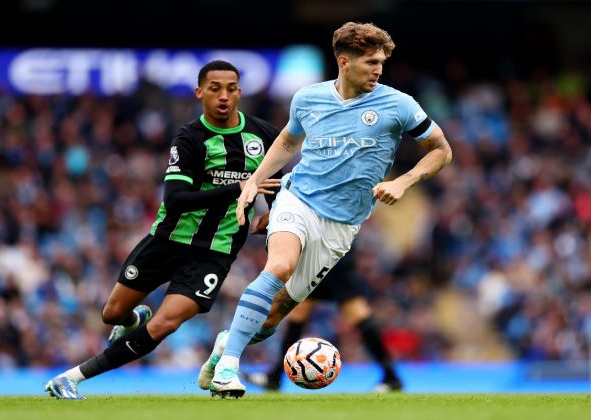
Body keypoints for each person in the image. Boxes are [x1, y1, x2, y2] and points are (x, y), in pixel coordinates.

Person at [201, 22, 453, 398]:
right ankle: (228, 368)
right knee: (280, 265)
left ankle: (226, 345)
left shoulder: (397, 104)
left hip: (342, 227)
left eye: (382, 62)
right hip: (298, 199)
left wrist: (403, 181)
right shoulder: (308, 98)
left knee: (274, 317)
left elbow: (441, 150)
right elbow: (288, 141)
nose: (378, 69)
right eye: (371, 62)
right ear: (344, 62)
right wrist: (255, 180)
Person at [44, 60, 282, 399]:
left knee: (166, 323)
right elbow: (176, 199)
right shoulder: (189, 138)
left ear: (240, 92)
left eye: (231, 88)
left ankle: (70, 378)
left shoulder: (263, 135)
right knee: (112, 314)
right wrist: (241, 188)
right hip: (168, 240)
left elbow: (276, 184)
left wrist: (273, 216)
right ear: (200, 92)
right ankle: (131, 319)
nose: (224, 96)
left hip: (216, 250)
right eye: (215, 88)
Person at [242, 241, 403, 393]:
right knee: (299, 313)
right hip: (319, 252)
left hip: (332, 251)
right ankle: (275, 375)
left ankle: (391, 376)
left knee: (356, 312)